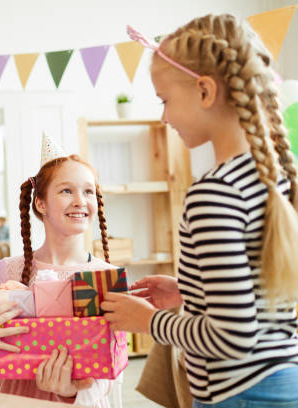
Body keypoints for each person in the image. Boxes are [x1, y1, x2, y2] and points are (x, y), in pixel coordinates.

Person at [101, 15, 298, 407]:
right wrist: (189, 292)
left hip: (241, 394)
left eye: (165, 100)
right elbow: (260, 301)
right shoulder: (271, 178)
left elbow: (233, 337)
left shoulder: (215, 192)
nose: (163, 117)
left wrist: (147, 322)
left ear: (205, 91)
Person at [0, 135, 122, 407]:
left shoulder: (105, 276)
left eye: (88, 191)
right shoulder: (8, 271)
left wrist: (69, 392)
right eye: (67, 190)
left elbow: (111, 375)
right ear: (41, 204)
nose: (80, 200)